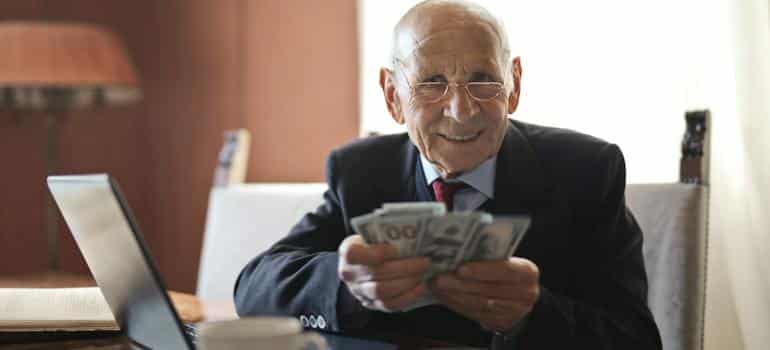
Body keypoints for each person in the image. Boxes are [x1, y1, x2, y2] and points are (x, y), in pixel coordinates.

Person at [234, 0, 662, 348]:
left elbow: (636, 339)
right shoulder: (361, 172)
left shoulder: (587, 171)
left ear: (513, 84)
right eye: (432, 83)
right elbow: (254, 288)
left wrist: (532, 315)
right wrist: (348, 287)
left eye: (483, 80)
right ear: (392, 96)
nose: (461, 111)